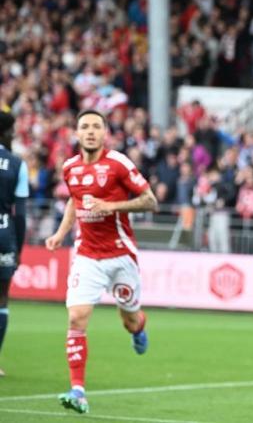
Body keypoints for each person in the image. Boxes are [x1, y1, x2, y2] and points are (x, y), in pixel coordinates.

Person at [45, 109, 158, 414]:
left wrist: (111, 206)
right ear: (77, 134)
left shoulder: (118, 163)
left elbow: (151, 200)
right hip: (87, 256)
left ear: (105, 133)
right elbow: (74, 200)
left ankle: (139, 328)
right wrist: (59, 234)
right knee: (76, 318)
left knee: (129, 320)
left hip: (121, 255)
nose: (91, 131)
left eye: (97, 126)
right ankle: (78, 391)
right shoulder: (69, 168)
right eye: (85, 126)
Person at [0, 111, 29, 377]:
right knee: (2, 298)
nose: (14, 135)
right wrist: (19, 249)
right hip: (3, 232)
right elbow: (20, 213)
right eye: (12, 130)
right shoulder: (17, 164)